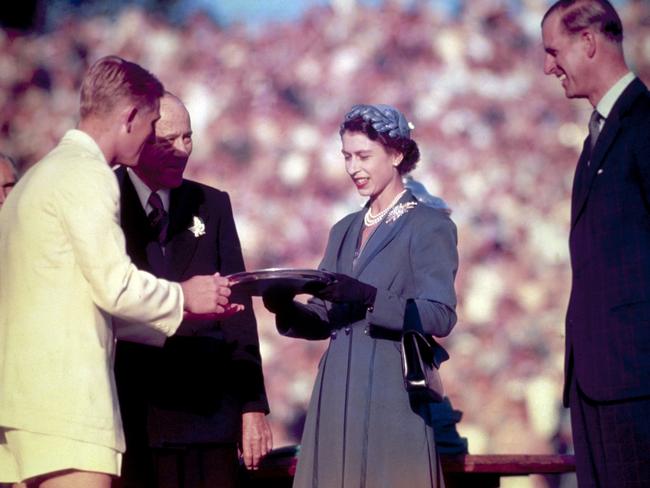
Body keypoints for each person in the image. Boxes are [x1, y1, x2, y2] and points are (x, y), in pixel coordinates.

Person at [0, 56, 239, 488]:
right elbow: (116, 286)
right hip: (68, 410)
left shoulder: (35, 179)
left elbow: (79, 299)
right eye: (151, 126)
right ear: (129, 117)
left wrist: (177, 317)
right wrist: (185, 297)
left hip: (24, 410)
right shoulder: (88, 173)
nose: (153, 140)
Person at [263, 104, 458, 487]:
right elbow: (322, 317)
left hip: (391, 396)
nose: (353, 168)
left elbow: (439, 315)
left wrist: (370, 296)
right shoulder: (344, 229)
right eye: (347, 157)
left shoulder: (429, 225)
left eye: (364, 156)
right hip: (336, 394)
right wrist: (283, 305)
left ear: (397, 154)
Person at [113, 92, 272, 488]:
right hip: (135, 416)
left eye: (189, 137)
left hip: (209, 420)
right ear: (141, 138)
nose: (184, 150)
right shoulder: (105, 199)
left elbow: (240, 312)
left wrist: (253, 407)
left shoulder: (212, 204)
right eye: (169, 140)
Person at [542, 1, 650, 486]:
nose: (548, 66)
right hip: (597, 383)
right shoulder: (594, 139)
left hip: (636, 384)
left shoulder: (644, 125)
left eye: (553, 51)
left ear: (588, 41)